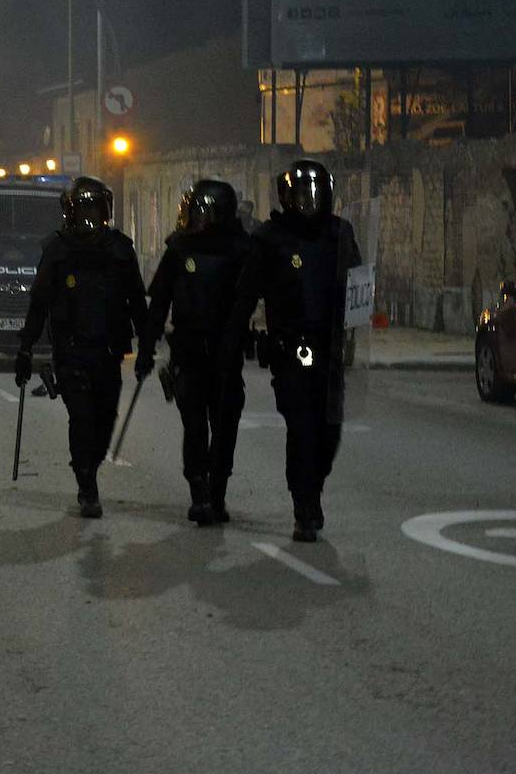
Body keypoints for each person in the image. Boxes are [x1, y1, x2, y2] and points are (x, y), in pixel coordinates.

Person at [222, 159, 361, 542]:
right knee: (301, 428)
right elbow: (247, 293)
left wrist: (359, 316)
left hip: (330, 348)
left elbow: (359, 283)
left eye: (315, 193)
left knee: (328, 432)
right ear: (287, 197)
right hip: (291, 348)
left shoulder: (340, 234)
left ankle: (313, 485)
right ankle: (304, 505)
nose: (309, 201)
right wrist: (233, 339)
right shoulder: (271, 238)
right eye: (301, 194)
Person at [14, 176, 148, 518]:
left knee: (104, 421)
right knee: (82, 418)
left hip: (108, 350)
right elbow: (39, 302)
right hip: (71, 350)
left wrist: (147, 344)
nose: (90, 217)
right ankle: (86, 486)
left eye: (95, 209)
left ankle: (92, 466)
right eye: (83, 209)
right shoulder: (57, 250)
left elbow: (136, 300)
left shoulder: (119, 249)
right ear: (71, 212)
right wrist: (25, 348)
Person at [136, 180, 252, 526]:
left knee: (225, 426)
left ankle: (217, 492)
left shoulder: (242, 252)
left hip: (226, 355)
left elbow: (251, 300)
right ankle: (199, 492)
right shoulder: (179, 250)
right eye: (194, 212)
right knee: (195, 426)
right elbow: (159, 304)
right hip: (188, 352)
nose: (198, 220)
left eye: (204, 213)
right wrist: (146, 348)